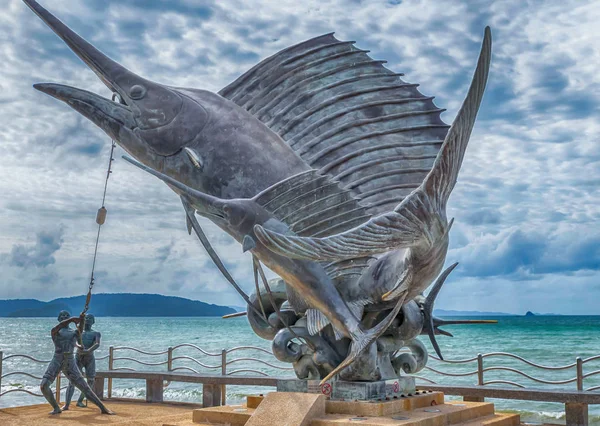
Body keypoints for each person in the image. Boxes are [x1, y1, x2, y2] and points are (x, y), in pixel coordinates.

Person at [40, 310, 113, 415]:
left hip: (70, 361)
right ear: (58, 319)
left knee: (85, 387)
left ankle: (103, 407)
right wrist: (72, 319)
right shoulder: (55, 331)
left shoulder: (74, 332)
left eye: (67, 315)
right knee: (44, 385)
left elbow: (79, 343)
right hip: (57, 359)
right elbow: (60, 326)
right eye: (62, 315)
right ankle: (56, 408)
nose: (65, 316)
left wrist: (81, 321)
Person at [63, 313, 101, 409]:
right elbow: (74, 341)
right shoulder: (78, 332)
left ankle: (80, 400)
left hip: (89, 358)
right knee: (72, 380)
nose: (88, 319)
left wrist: (88, 350)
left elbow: (97, 344)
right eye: (86, 318)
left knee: (91, 380)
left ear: (93, 321)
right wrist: (78, 346)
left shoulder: (96, 333)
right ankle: (66, 404)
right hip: (78, 357)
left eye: (90, 318)